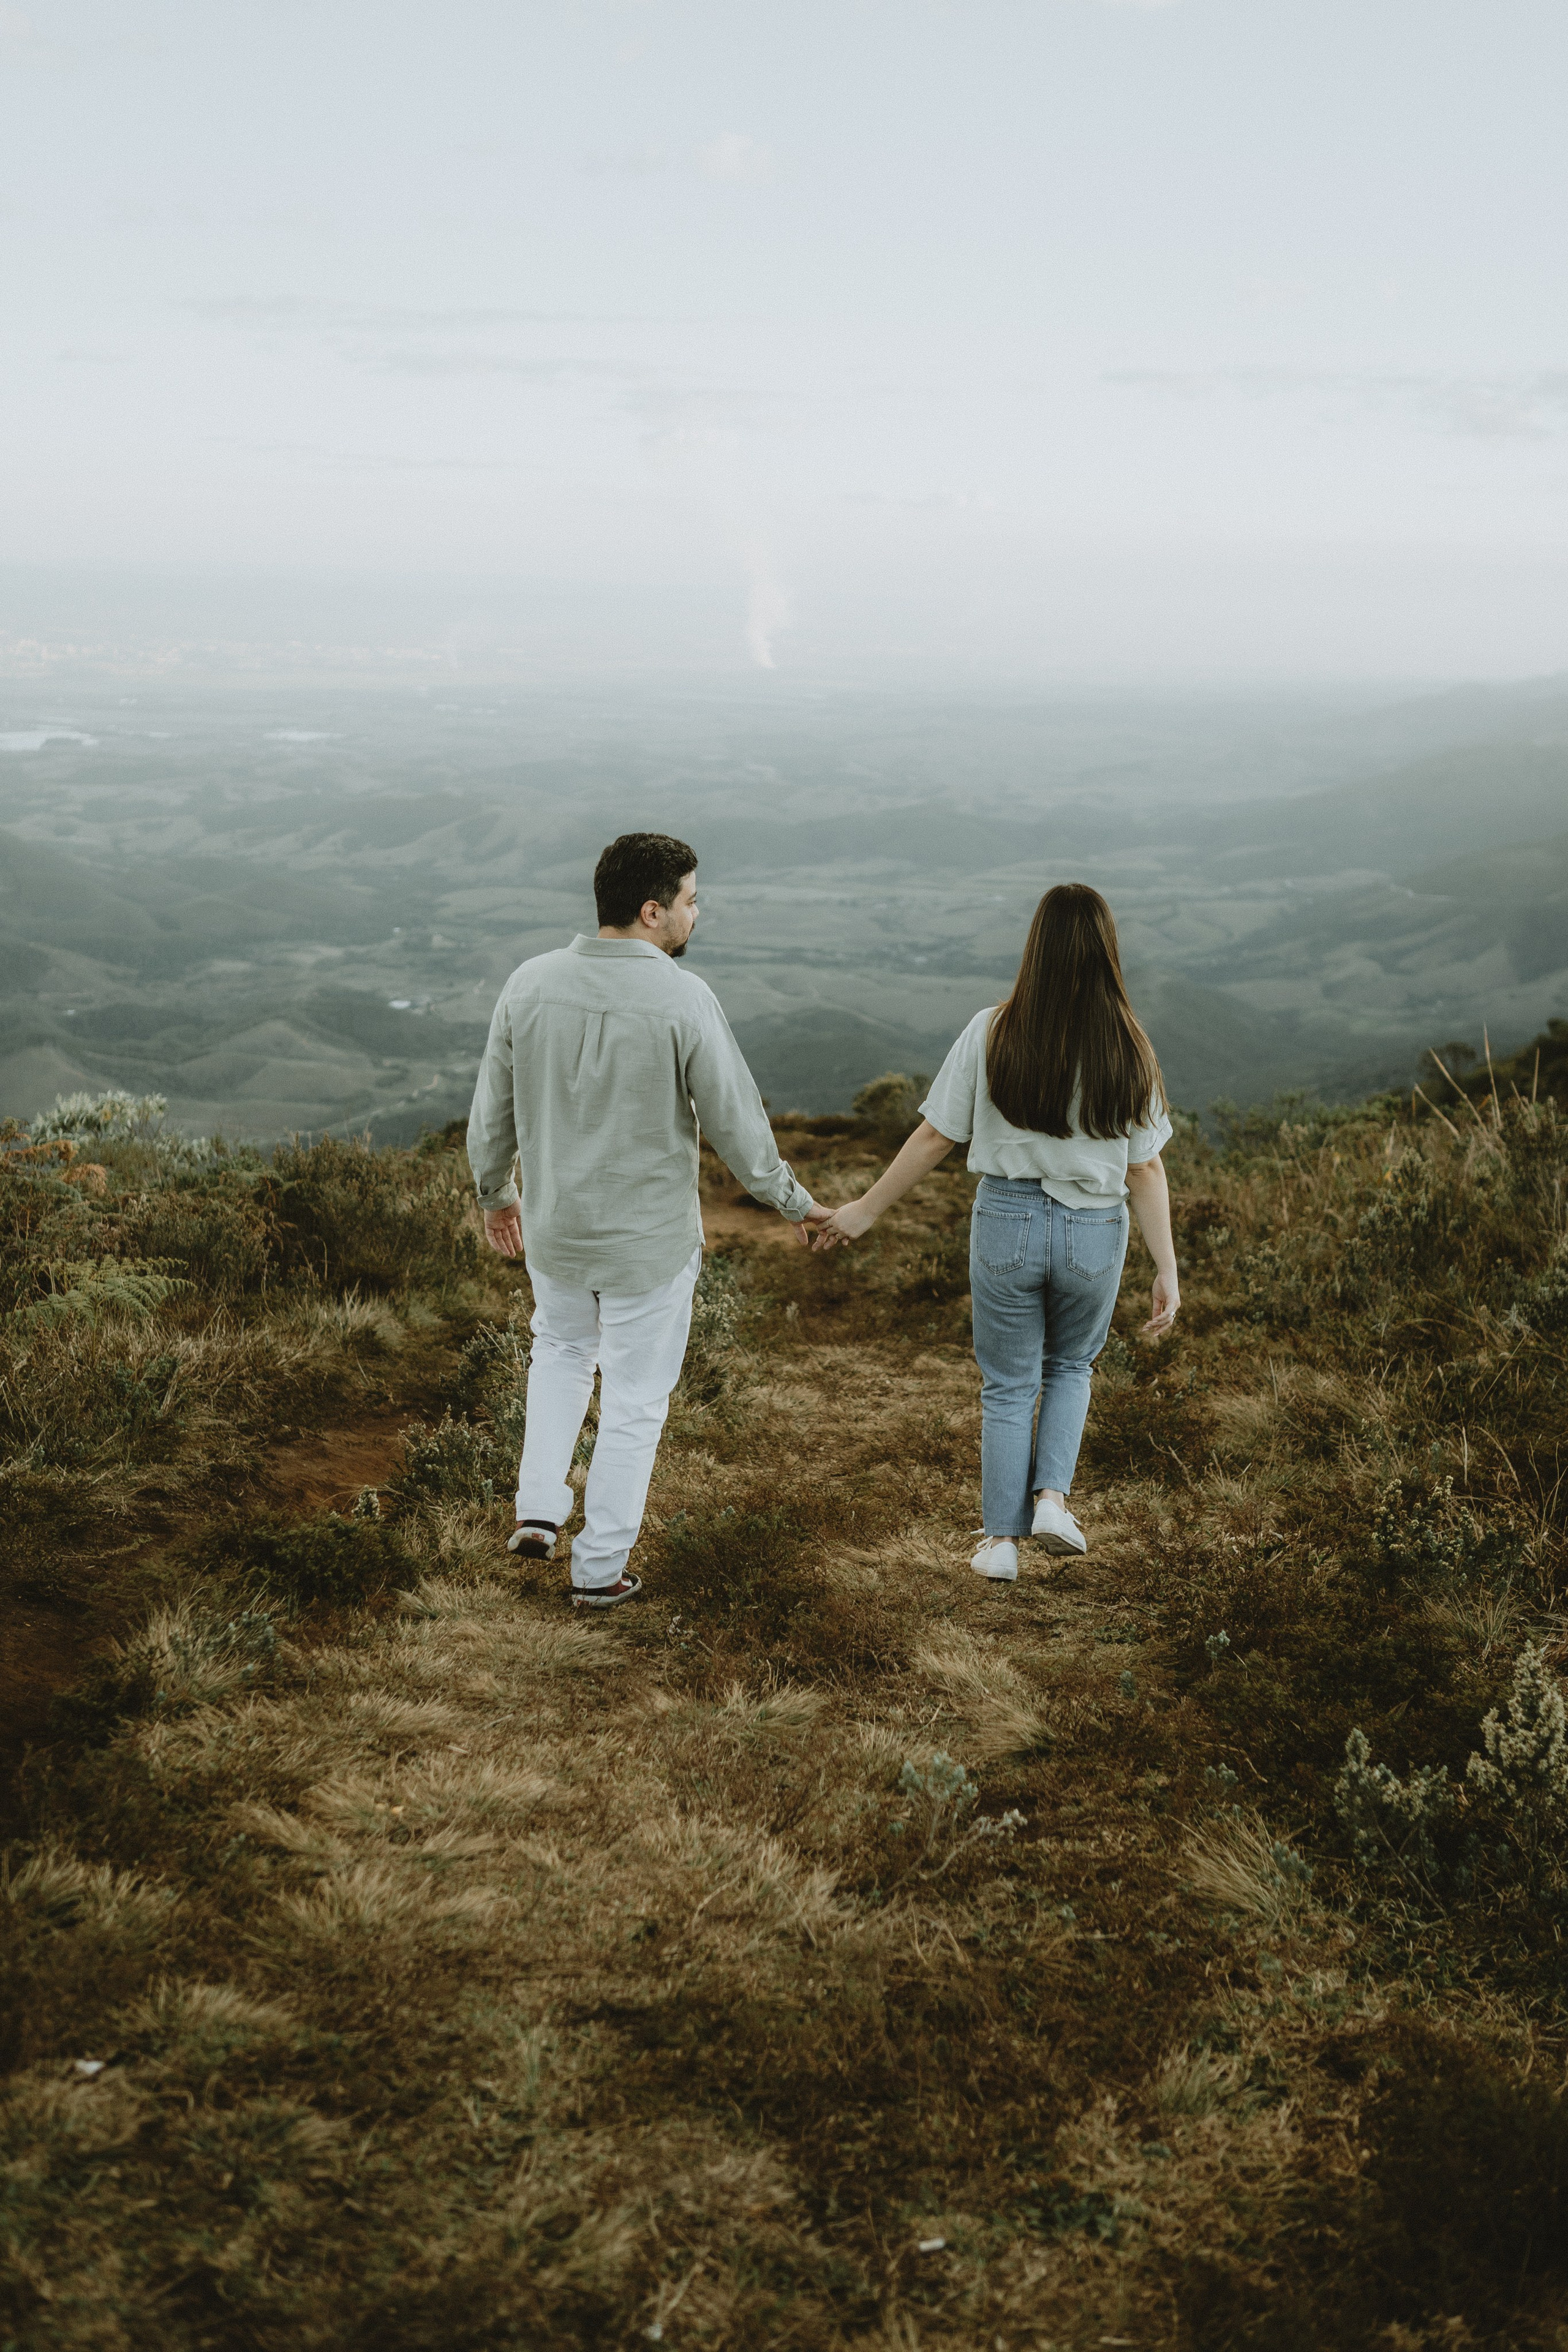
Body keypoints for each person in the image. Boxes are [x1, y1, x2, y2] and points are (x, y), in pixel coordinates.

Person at [467, 831, 827, 1607]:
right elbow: (736, 1124)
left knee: (559, 1352)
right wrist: (794, 1203)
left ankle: (537, 1508)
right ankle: (598, 1571)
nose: (700, 913)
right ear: (652, 910)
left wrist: (497, 1194)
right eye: (692, 901)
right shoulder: (681, 996)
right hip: (649, 1243)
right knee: (634, 1399)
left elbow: (489, 1113)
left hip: (555, 1230)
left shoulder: (527, 984)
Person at [813, 882, 1179, 1583]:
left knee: (1009, 1386)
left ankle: (1001, 1545)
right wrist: (1166, 1266)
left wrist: (864, 1209)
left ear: (1034, 948)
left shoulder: (992, 1029)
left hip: (1008, 1219)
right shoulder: (1131, 1047)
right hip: (1094, 1231)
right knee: (1071, 1367)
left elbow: (932, 1136)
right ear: (1107, 952)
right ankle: (1051, 1501)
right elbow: (1147, 1169)